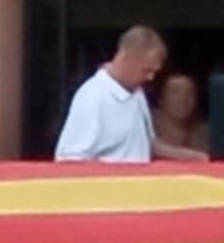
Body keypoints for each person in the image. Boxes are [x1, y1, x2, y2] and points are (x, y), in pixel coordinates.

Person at [55, 26, 206, 164]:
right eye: (146, 70)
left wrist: (193, 158)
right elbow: (70, 159)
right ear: (125, 58)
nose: (151, 78)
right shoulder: (93, 97)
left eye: (154, 72)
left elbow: (146, 143)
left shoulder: (137, 93)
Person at [153, 70, 211, 155]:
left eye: (190, 93)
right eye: (175, 93)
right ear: (160, 99)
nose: (182, 99)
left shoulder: (206, 133)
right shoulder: (145, 123)